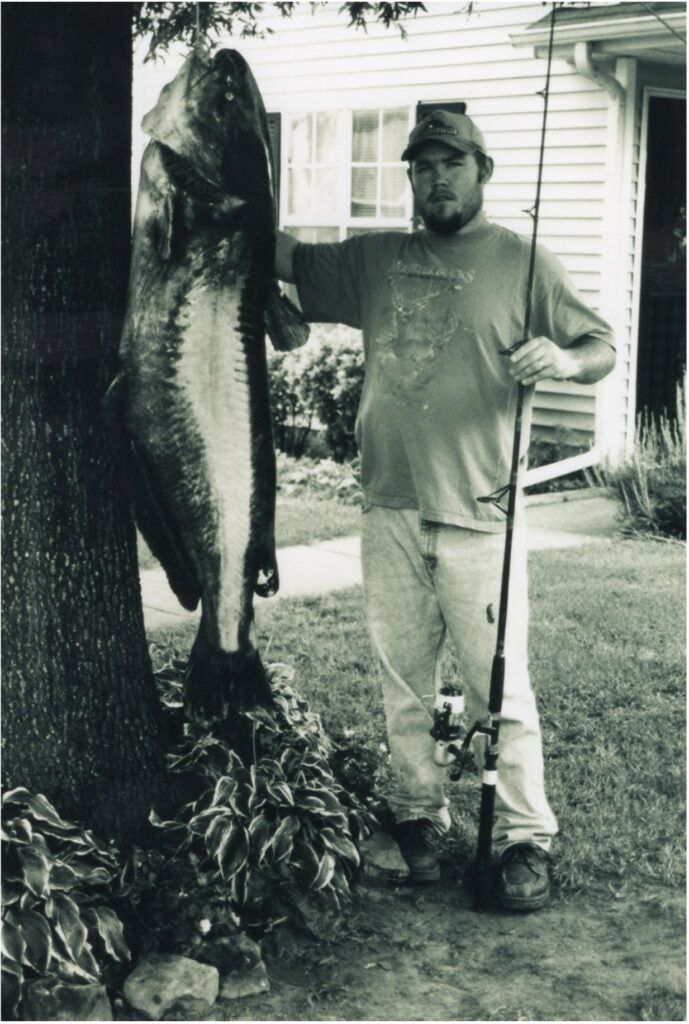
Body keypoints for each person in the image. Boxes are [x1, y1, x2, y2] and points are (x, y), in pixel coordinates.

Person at [275, 109, 615, 911]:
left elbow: (598, 345)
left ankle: (524, 838)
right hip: (387, 501)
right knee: (403, 679)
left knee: (500, 687)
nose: (436, 179)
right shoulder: (375, 259)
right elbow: (284, 255)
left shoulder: (522, 262)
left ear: (481, 171)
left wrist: (562, 357)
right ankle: (417, 820)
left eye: (450, 164)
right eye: (422, 166)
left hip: (479, 512)